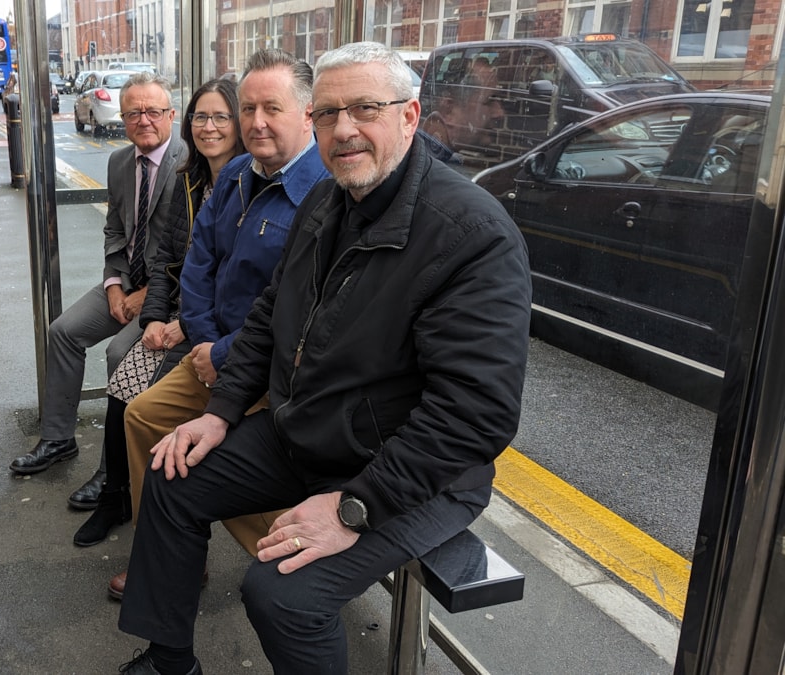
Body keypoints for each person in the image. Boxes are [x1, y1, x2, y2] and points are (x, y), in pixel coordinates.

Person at [115, 42, 531, 675]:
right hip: (309, 432)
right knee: (173, 472)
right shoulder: (328, 201)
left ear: (410, 115)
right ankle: (169, 661)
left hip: (412, 474)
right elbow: (270, 315)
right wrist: (220, 411)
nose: (344, 130)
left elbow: (473, 417)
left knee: (280, 594)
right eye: (329, 113)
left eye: (365, 109)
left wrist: (352, 507)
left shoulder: (470, 233)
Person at [108, 49, 330, 601]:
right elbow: (200, 260)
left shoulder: (322, 195)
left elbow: (298, 311)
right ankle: (168, 554)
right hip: (210, 352)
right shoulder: (235, 173)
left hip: (265, 370)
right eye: (248, 107)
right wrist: (204, 342)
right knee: (142, 416)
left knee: (213, 472)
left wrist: (222, 353)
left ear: (307, 114)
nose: (255, 122)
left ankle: (295, 569)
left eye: (271, 108)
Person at [72, 78, 246, 547]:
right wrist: (152, 319)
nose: (208, 127)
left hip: (219, 333)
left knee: (136, 386)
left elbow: (239, 284)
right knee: (122, 384)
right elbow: (168, 261)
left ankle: (168, 531)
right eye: (201, 118)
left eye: (221, 117)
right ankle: (116, 495)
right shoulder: (189, 181)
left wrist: (182, 324)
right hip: (176, 318)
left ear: (240, 123)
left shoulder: (253, 183)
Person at [9, 72, 186, 512]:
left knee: (119, 355)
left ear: (171, 114)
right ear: (122, 117)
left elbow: (194, 246)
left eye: (153, 111)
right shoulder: (120, 161)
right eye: (133, 113)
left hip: (171, 296)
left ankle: (115, 472)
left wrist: (146, 297)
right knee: (64, 331)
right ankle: (57, 439)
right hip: (125, 282)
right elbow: (115, 229)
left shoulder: (191, 162)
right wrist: (112, 284)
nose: (143, 120)